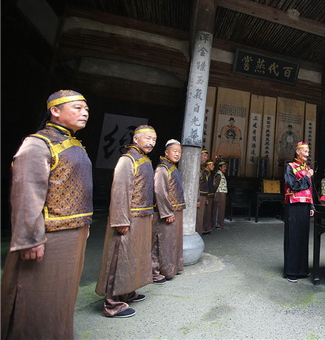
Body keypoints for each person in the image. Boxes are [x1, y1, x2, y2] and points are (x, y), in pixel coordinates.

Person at [1, 90, 93, 339]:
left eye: (86, 109)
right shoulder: (38, 144)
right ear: (55, 111)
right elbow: (27, 192)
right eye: (77, 108)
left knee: (62, 297)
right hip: (49, 235)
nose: (84, 113)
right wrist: (30, 237)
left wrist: (84, 224)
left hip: (73, 231)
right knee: (39, 296)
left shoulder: (74, 144)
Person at [95, 125, 157, 318]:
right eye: (147, 138)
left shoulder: (144, 160)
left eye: (154, 140)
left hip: (143, 217)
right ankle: (112, 303)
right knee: (119, 258)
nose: (151, 142)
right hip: (129, 218)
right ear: (136, 139)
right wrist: (120, 219)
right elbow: (120, 191)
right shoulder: (127, 160)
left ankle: (127, 291)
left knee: (133, 256)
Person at [152, 139, 186, 283]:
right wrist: (166, 212)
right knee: (161, 242)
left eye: (180, 152)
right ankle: (155, 272)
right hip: (168, 212)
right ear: (167, 152)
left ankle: (170, 269)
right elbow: (159, 191)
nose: (177, 154)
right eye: (175, 151)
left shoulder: (172, 167)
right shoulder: (162, 168)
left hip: (176, 210)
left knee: (172, 241)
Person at [283, 142, 315, 283]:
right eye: (305, 150)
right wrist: (307, 176)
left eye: (308, 150)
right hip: (294, 204)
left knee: (303, 237)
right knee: (293, 237)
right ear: (298, 152)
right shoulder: (290, 167)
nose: (307, 153)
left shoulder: (307, 168)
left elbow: (310, 190)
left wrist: (312, 206)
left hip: (305, 205)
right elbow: (293, 185)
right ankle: (291, 271)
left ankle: (302, 269)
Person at [197, 160, 215, 235]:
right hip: (203, 195)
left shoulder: (207, 173)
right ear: (207, 165)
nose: (213, 166)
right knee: (202, 214)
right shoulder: (205, 173)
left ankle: (204, 229)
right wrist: (207, 196)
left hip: (206, 195)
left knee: (205, 213)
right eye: (211, 165)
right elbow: (204, 185)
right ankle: (201, 230)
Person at [213, 160, 229, 229]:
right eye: (224, 167)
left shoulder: (221, 174)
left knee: (221, 209)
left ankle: (220, 223)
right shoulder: (219, 175)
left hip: (222, 193)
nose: (225, 168)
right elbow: (215, 185)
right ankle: (217, 223)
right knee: (218, 208)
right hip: (219, 193)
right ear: (220, 167)